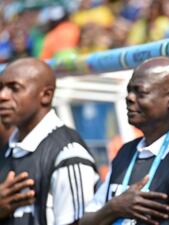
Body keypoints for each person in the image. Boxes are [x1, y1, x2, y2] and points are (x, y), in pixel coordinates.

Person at [80, 56, 169, 225]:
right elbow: (85, 221)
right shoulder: (126, 151)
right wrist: (114, 207)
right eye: (129, 90)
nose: (129, 97)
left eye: (140, 92)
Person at [0, 58, 99, 225]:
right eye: (1, 88)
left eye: (14, 88)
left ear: (46, 95)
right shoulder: (9, 149)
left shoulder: (69, 154)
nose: (2, 96)